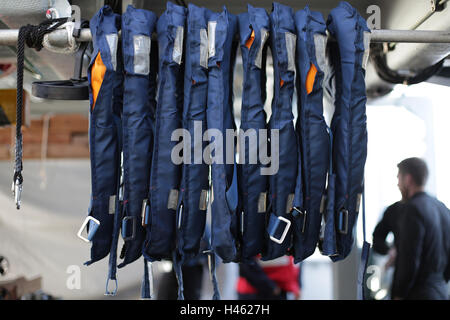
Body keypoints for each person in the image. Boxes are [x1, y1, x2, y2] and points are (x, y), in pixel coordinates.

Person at [391, 157, 450, 300]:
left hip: (419, 293)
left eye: (399, 178)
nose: (398, 184)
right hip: (442, 291)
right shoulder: (442, 207)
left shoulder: (412, 209)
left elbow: (409, 259)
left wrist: (399, 293)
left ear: (408, 179)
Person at [236, 255, 301, 300]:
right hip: (253, 291)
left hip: (281, 291)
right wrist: (272, 287)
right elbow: (246, 266)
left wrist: (297, 285)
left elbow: (294, 262)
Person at [372, 201, 405, 270]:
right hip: (401, 269)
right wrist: (390, 250)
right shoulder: (394, 210)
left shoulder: (430, 205)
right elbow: (377, 238)